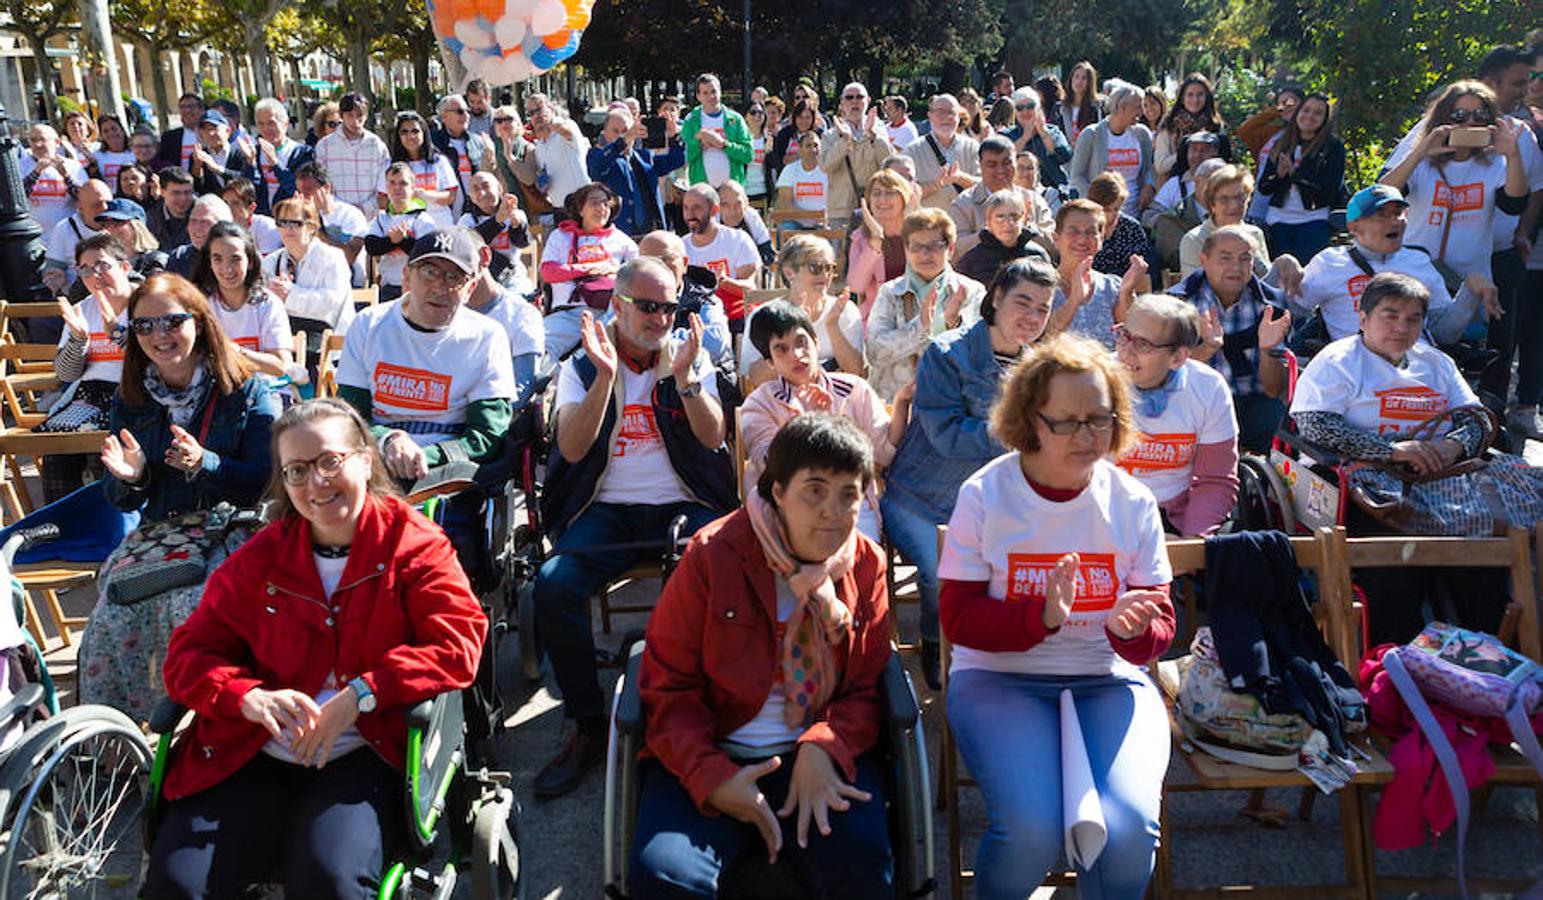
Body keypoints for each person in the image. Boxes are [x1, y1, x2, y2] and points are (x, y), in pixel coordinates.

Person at [142, 398, 486, 899]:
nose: (315, 483)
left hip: (362, 748)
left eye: (330, 462)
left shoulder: (413, 545)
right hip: (250, 749)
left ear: (366, 459)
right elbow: (188, 656)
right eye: (296, 471)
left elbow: (457, 642)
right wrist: (248, 697)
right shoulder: (262, 556)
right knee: (176, 885)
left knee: (329, 882)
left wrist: (361, 695)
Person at [940, 332, 1173, 898]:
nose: (1086, 435)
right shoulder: (985, 495)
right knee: (1032, 830)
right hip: (998, 680)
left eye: (1098, 419)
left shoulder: (1132, 500)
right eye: (1065, 421)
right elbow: (958, 621)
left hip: (1107, 680)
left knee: (1127, 833)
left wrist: (1134, 630)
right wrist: (1039, 618)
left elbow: (1161, 623)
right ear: (1029, 420)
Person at [630, 412, 894, 899]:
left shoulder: (865, 565)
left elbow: (866, 687)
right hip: (716, 747)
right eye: (815, 490)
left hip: (813, 755)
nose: (833, 512)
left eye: (848, 494)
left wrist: (824, 746)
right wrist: (712, 777)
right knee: (664, 878)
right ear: (777, 491)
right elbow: (668, 686)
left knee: (863, 867)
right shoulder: (713, 555)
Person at [534, 257, 735, 799]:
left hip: (683, 503)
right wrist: (604, 377)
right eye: (647, 306)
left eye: (669, 307)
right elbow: (573, 449)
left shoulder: (689, 356)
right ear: (618, 304)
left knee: (727, 572)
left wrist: (689, 379)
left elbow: (715, 439)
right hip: (608, 510)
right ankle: (588, 721)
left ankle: (704, 708)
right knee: (551, 586)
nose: (660, 318)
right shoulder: (581, 365)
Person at [1289, 273, 1542, 641]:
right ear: (1363, 318)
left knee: (1484, 560)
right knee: (1397, 571)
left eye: (1413, 319)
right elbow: (1316, 426)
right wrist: (1391, 450)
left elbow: (1477, 419)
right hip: (1367, 484)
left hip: (1443, 480)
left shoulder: (1435, 361)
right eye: (1389, 316)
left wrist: (1453, 445)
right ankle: (1395, 673)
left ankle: (1490, 667)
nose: (1401, 327)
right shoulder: (1338, 360)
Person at [76, 273, 280, 718]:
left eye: (171, 322)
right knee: (111, 613)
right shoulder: (130, 398)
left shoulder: (246, 390)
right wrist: (132, 477)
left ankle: (210, 720)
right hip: (165, 534)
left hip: (234, 529)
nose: (158, 335)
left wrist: (204, 462)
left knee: (195, 606)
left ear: (200, 322)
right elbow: (122, 500)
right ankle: (115, 743)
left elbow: (265, 479)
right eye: (144, 326)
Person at [882, 258, 1058, 688]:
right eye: (1023, 302)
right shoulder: (948, 354)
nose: (1032, 317)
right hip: (922, 499)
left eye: (1043, 308)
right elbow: (946, 436)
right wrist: (1025, 434)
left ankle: (1004, 651)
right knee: (941, 575)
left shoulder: (1039, 367)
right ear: (996, 298)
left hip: (994, 502)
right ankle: (935, 644)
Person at [336, 229, 518, 589]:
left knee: (444, 555)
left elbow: (488, 434)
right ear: (406, 276)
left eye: (454, 277)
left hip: (450, 470)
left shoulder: (486, 337)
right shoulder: (369, 325)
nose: (440, 287)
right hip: (375, 459)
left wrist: (427, 456)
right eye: (429, 272)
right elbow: (347, 417)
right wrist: (387, 441)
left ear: (470, 287)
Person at [740, 303, 910, 541]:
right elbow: (767, 463)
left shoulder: (854, 390)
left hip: (850, 502)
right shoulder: (760, 403)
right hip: (786, 509)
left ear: (816, 342)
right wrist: (805, 423)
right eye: (781, 349)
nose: (796, 355)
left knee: (859, 552)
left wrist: (901, 405)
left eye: (801, 342)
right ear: (769, 362)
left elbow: (883, 454)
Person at [1292, 184, 1497, 346]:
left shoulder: (1418, 262)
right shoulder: (1329, 263)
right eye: (1381, 215)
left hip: (1417, 369)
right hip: (1354, 370)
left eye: (1399, 213)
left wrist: (1469, 292)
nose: (1395, 221)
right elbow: (1287, 311)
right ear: (1354, 226)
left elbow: (1444, 335)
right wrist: (1282, 266)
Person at [1379, 81, 1531, 286]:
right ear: (1443, 119)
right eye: (1459, 116)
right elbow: (1382, 194)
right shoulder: (1422, 160)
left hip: (1471, 282)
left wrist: (1513, 154)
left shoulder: (1495, 162)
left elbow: (1515, 203)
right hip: (1414, 275)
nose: (1470, 123)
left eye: (1479, 115)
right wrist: (1419, 154)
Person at [1114, 294, 1239, 536]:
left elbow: (1214, 480)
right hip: (1107, 517)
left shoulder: (1208, 388)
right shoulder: (1096, 382)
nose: (1126, 352)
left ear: (1178, 358)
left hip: (1178, 516)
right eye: (1124, 335)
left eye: (1142, 345)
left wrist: (1191, 542)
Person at [1170, 225, 1293, 452]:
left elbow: (1275, 390)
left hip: (1254, 402)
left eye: (1245, 259)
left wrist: (1267, 349)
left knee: (1280, 429)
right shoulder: (1179, 304)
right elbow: (1167, 375)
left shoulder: (1270, 305)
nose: (1236, 267)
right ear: (1204, 260)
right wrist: (1207, 348)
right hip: (1195, 404)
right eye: (1225, 258)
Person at [41, 234, 136, 501]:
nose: (95, 275)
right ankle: (64, 529)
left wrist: (118, 334)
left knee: (103, 449)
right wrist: (79, 339)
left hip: (135, 393)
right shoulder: (81, 310)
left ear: (125, 267)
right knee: (57, 452)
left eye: (103, 266)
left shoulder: (148, 303)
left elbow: (154, 363)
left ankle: (113, 525)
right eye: (85, 269)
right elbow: (66, 374)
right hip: (88, 396)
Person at [868, 209, 987, 401]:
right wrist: (919, 327)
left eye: (934, 246)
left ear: (950, 249)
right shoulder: (891, 293)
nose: (925, 254)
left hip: (952, 402)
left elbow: (980, 356)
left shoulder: (971, 291)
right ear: (906, 250)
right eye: (916, 247)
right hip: (896, 403)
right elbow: (874, 353)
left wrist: (954, 326)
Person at [740, 235, 865, 389]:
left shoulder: (844, 310)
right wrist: (794, 327)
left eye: (829, 268)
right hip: (782, 403)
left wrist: (832, 326)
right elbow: (756, 379)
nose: (825, 275)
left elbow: (856, 372)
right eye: (815, 267)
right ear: (789, 273)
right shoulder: (765, 316)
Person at [539, 181, 639, 360]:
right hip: (568, 313)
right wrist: (587, 268)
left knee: (598, 352)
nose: (602, 208)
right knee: (536, 343)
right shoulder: (560, 236)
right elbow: (548, 272)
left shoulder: (623, 241)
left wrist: (614, 270)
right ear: (580, 210)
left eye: (606, 203)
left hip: (609, 311)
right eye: (594, 202)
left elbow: (638, 276)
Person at [262, 196, 355, 364]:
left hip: (329, 344)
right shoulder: (271, 261)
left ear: (311, 228)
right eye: (282, 223)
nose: (287, 229)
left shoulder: (333, 257)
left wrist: (290, 294)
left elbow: (332, 303)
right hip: (283, 339)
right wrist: (270, 293)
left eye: (295, 223)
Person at [461, 229, 546, 409]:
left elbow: (522, 386)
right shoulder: (440, 313)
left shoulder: (521, 314)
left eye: (460, 261)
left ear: (484, 257)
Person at [1257, 93, 1344, 263]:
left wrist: (1295, 175)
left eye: (1318, 113)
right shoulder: (1280, 143)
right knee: (1280, 277)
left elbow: (1331, 190)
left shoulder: (1332, 147)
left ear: (1325, 119)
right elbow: (1264, 187)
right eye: (1306, 110)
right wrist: (1280, 175)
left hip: (1314, 221)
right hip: (1278, 221)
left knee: (1306, 277)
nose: (1310, 116)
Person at [1049, 199, 1147, 350]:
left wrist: (1126, 293)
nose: (1082, 239)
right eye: (1073, 231)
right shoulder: (1042, 286)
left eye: (1091, 232)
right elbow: (1042, 340)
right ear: (1056, 239)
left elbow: (1130, 338)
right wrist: (1074, 299)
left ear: (1101, 239)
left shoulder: (1112, 286)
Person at [636, 229, 733, 368]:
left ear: (685, 263)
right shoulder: (628, 295)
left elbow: (716, 343)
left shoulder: (704, 298)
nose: (657, 268)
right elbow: (611, 336)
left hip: (698, 383)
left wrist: (653, 340)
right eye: (647, 261)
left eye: (665, 259)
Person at [586, 105, 685, 236]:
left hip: (650, 234)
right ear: (605, 133)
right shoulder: (597, 155)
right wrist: (624, 140)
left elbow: (676, 160)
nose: (622, 135)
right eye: (616, 131)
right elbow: (597, 168)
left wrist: (673, 136)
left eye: (626, 130)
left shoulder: (644, 157)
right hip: (619, 235)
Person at [680, 183, 761, 333]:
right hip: (697, 315)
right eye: (685, 208)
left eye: (696, 208)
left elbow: (751, 289)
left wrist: (724, 282)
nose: (690, 214)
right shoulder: (679, 246)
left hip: (735, 314)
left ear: (714, 210)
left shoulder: (738, 239)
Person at [1069, 83, 1155, 215]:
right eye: (1138, 106)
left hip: (1135, 213)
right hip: (1100, 214)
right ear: (1122, 107)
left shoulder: (1142, 134)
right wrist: (1095, 202)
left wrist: (1149, 185)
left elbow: (1149, 169)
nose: (1141, 111)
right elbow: (1077, 176)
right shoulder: (1091, 134)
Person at [365, 162, 445, 303]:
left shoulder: (422, 218)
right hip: (388, 286)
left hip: (416, 288)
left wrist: (402, 240)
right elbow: (372, 247)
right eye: (392, 183)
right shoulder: (381, 218)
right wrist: (394, 241)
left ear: (413, 187)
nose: (397, 188)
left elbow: (425, 253)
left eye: (403, 183)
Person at [949, 135, 1039, 259]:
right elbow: (955, 250)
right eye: (992, 165)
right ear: (981, 166)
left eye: (1007, 163)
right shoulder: (963, 204)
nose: (1000, 170)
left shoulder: (1033, 200)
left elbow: (1054, 244)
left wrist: (1026, 228)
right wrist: (991, 232)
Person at [1178, 164, 1273, 278]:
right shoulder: (1195, 240)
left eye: (1240, 197)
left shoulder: (1255, 234)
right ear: (1212, 204)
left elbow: (1268, 285)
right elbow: (1195, 289)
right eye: (1224, 199)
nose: (1234, 205)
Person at [821, 82, 893, 226]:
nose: (854, 102)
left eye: (859, 97)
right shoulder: (830, 135)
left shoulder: (879, 130)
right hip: (841, 210)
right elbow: (826, 166)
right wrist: (844, 141)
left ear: (868, 101)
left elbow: (889, 163)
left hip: (875, 207)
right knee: (840, 249)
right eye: (849, 98)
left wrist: (872, 135)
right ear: (842, 103)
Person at [846, 169, 915, 317]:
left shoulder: (920, 233)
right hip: (877, 318)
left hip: (918, 315)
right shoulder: (860, 238)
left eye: (890, 193)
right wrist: (875, 242)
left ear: (904, 198)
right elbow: (856, 286)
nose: (882, 199)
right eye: (876, 193)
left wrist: (912, 233)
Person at [293, 161, 370, 287]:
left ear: (327, 187)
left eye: (308, 191)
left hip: (349, 285)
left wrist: (314, 227)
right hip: (311, 285)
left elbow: (349, 257)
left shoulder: (350, 215)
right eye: (300, 192)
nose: (304, 197)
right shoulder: (298, 217)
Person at [956, 189, 1052, 287]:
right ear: (988, 222)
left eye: (1014, 216)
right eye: (1000, 217)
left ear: (1023, 219)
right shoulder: (972, 261)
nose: (1008, 223)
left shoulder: (1037, 255)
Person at [314, 92, 392, 213]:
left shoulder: (377, 146)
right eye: (350, 115)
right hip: (336, 218)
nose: (355, 121)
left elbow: (384, 189)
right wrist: (344, 211)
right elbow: (321, 186)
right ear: (341, 115)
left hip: (371, 220)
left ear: (366, 115)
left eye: (360, 115)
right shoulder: (324, 147)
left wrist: (364, 209)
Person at [458, 171, 533, 292]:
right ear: (471, 197)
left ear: (499, 188)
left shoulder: (516, 213)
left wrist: (516, 224)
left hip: (511, 277)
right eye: (476, 189)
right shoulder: (466, 220)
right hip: (481, 280)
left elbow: (523, 243)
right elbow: (469, 244)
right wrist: (498, 220)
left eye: (486, 186)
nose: (482, 193)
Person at [905, 94, 981, 209]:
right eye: (940, 112)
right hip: (928, 222)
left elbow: (985, 186)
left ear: (959, 117)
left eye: (952, 112)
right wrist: (936, 185)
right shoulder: (912, 150)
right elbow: (904, 192)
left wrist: (960, 178)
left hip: (966, 223)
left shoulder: (972, 147)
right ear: (929, 116)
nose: (947, 117)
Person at [522, 93, 592, 215]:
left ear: (552, 109)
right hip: (559, 209)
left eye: (539, 109)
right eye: (531, 113)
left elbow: (564, 129)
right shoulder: (539, 147)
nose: (536, 115)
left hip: (582, 205)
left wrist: (552, 121)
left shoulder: (567, 127)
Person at [679, 73, 752, 190]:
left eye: (714, 91)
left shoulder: (736, 119)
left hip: (731, 191)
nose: (711, 97)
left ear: (720, 92)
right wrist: (697, 140)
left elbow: (748, 155)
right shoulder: (691, 120)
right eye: (705, 93)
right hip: (702, 191)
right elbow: (684, 158)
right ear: (698, 96)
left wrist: (723, 144)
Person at [1153, 73, 1228, 184]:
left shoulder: (1215, 125)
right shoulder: (1169, 125)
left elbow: (1223, 162)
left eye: (1200, 95)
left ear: (1207, 97)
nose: (1195, 100)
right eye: (1190, 95)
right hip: (1174, 188)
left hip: (1208, 188)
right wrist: (1188, 151)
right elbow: (1160, 165)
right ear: (1182, 98)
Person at [385, 111, 458, 223]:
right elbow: (382, 199)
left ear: (424, 133)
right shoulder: (389, 164)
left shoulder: (439, 161)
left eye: (415, 131)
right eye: (404, 132)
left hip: (438, 224)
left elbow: (451, 196)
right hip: (405, 227)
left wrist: (425, 195)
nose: (410, 136)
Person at [43, 178, 111, 297]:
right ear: (80, 207)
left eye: (108, 203)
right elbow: (53, 266)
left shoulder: (120, 225)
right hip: (76, 297)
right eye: (96, 205)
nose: (104, 209)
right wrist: (55, 277)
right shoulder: (64, 228)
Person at [430, 94, 493, 219]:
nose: (466, 116)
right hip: (446, 214)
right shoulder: (432, 142)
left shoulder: (477, 141)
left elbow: (487, 173)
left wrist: (491, 157)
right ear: (444, 116)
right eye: (460, 111)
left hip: (475, 212)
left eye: (467, 111)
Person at [21, 123, 89, 238]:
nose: (38, 145)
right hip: (35, 237)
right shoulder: (22, 165)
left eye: (43, 140)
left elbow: (84, 198)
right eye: (33, 140)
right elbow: (19, 197)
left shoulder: (73, 166)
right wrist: (36, 172)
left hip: (67, 235)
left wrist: (66, 177)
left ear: (57, 143)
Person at [1001, 87, 1072, 194]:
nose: (1025, 111)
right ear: (1015, 112)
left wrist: (1043, 132)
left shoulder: (1053, 131)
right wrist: (1025, 137)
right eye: (1020, 108)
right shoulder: (1006, 135)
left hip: (1054, 190)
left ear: (1038, 109)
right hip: (1016, 191)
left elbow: (1065, 156)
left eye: (1030, 106)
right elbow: (1003, 159)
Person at [250, 98, 313, 216]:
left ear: (285, 124)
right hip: (264, 221)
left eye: (271, 123)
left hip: (291, 219)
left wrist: (276, 165)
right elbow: (250, 192)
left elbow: (298, 190)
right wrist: (250, 165)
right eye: (261, 124)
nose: (266, 129)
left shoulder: (302, 153)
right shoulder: (255, 152)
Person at [1087, 172, 1155, 280]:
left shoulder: (1131, 228)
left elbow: (1148, 266)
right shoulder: (1084, 229)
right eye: (1106, 210)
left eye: (1116, 209)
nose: (1112, 215)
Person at [166, 194, 234, 279]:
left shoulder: (237, 258)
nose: (197, 228)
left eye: (205, 222)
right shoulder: (178, 258)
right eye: (193, 220)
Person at [188, 110, 253, 197]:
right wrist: (197, 167)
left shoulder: (240, 153)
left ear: (228, 131)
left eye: (214, 128)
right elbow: (196, 188)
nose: (210, 133)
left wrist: (218, 169)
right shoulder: (199, 155)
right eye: (206, 130)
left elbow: (246, 179)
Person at [716, 179, 775, 268]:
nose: (732, 211)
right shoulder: (710, 221)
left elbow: (768, 253)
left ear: (746, 203)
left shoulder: (752, 217)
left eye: (738, 204)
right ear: (717, 206)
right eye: (725, 205)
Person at [775, 131, 829, 225]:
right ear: (800, 150)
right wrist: (812, 217)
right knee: (785, 228)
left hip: (824, 222)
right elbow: (785, 205)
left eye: (816, 145)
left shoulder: (829, 169)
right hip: (795, 221)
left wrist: (823, 219)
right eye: (808, 146)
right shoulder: (789, 170)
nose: (813, 149)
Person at [220, 177, 282, 255]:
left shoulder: (266, 226)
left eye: (235, 203)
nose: (228, 208)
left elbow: (268, 265)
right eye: (225, 202)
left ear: (251, 207)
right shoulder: (220, 228)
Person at [769, 101, 818, 189]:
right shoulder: (784, 134)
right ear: (794, 118)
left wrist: (792, 157)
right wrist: (803, 155)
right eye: (800, 117)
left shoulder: (819, 135)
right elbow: (779, 160)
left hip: (812, 183)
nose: (804, 121)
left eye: (807, 117)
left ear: (813, 119)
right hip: (788, 182)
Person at [148, 167, 195, 250]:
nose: (183, 198)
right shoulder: (152, 218)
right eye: (176, 193)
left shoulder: (203, 214)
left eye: (187, 192)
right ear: (162, 192)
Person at [156, 93, 206, 169]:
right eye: (182, 107)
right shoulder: (169, 137)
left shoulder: (210, 135)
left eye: (191, 107)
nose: (187, 111)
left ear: (201, 110)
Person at [1060, 61, 1103, 145]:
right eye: (1076, 77)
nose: (1079, 81)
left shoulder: (1096, 108)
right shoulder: (1060, 108)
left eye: (1084, 78)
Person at [92, 114, 135, 185]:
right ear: (101, 136)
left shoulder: (135, 152)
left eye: (114, 129)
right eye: (106, 131)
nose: (111, 133)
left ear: (122, 130)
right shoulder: (97, 157)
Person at [743, 104, 772, 203]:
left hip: (764, 191)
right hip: (744, 191)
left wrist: (769, 151)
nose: (757, 115)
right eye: (753, 112)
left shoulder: (768, 140)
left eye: (760, 112)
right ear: (745, 116)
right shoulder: (740, 140)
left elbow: (774, 165)